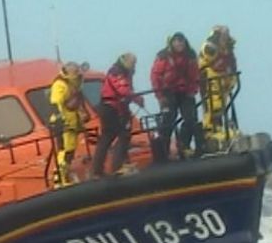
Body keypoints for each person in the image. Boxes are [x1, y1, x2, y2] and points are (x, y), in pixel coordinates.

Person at [150, 32, 204, 160]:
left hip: (185, 92)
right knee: (167, 122)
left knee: (191, 119)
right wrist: (160, 96)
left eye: (181, 41)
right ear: (171, 43)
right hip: (168, 93)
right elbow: (155, 76)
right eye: (176, 41)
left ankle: (184, 146)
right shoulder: (163, 57)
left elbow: (195, 74)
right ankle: (163, 153)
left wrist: (193, 90)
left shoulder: (190, 56)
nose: (179, 43)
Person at [91, 52, 143, 177]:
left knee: (115, 135)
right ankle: (115, 166)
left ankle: (102, 168)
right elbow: (123, 90)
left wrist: (134, 99)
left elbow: (127, 90)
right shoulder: (117, 72)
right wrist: (137, 99)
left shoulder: (125, 72)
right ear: (125, 61)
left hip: (118, 107)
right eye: (132, 62)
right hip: (110, 108)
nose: (133, 65)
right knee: (116, 135)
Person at [199, 25, 240, 152]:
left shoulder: (228, 49)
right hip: (210, 80)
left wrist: (232, 79)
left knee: (222, 106)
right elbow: (210, 58)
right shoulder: (210, 46)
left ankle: (220, 129)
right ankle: (210, 133)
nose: (225, 36)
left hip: (224, 81)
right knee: (213, 106)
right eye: (222, 34)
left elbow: (231, 65)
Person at [48, 62, 85, 187]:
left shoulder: (72, 85)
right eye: (74, 72)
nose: (77, 75)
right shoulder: (60, 85)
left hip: (71, 122)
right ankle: (60, 178)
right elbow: (55, 102)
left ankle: (65, 174)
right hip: (63, 123)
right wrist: (61, 120)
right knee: (64, 150)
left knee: (70, 150)